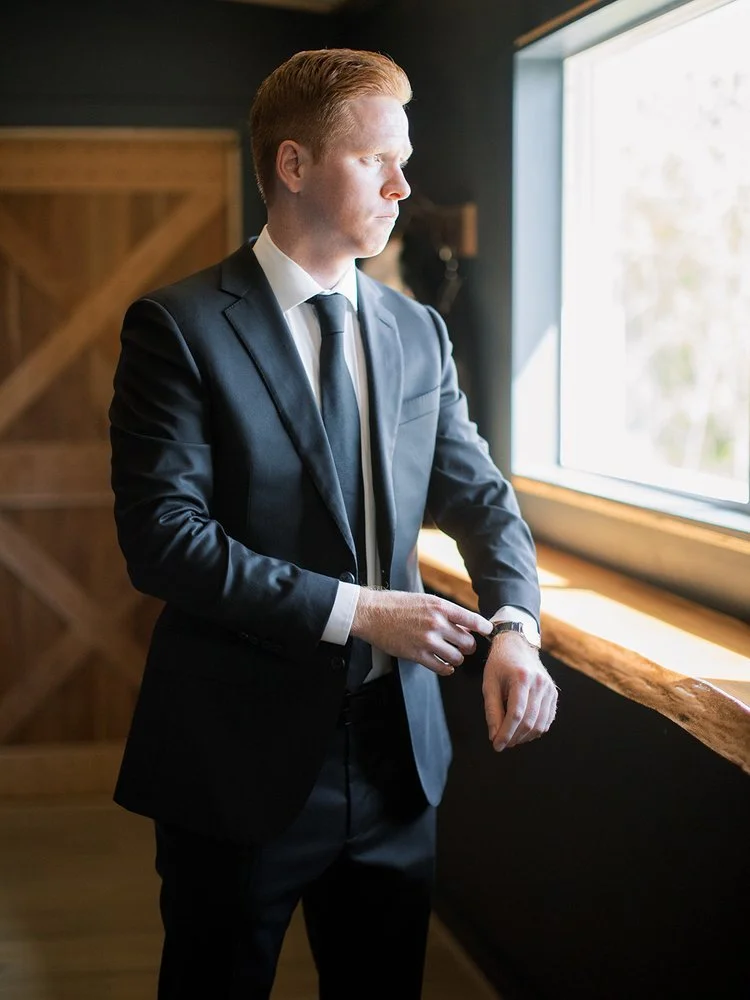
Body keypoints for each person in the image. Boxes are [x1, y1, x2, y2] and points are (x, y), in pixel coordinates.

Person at [109, 47, 558, 1000]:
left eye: (406, 159)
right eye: (376, 161)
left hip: (401, 760)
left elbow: (480, 496)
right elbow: (164, 540)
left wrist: (517, 624)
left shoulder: (416, 332)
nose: (404, 184)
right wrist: (361, 611)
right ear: (295, 164)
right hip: (236, 762)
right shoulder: (178, 327)